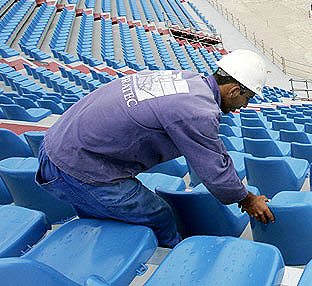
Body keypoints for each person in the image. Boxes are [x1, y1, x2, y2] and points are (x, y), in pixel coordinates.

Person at [35, 50, 274, 248]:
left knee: (109, 216)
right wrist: (247, 199)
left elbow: (210, 148)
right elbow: (214, 173)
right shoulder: (199, 112)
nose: (245, 104)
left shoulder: (189, 81)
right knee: (158, 215)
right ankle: (171, 257)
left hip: (57, 146)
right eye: (248, 97)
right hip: (75, 168)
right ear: (233, 91)